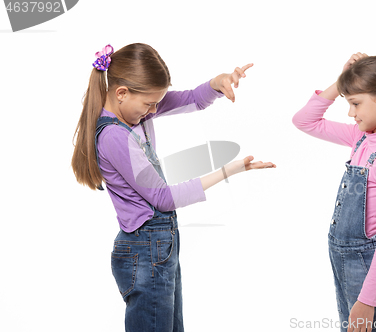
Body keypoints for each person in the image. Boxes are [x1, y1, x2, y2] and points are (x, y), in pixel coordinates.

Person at [71, 43, 276, 332]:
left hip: (158, 244)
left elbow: (192, 99)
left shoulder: (134, 111)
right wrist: (229, 171)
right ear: (121, 93)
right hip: (145, 249)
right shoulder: (114, 137)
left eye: (157, 103)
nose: (154, 111)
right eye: (149, 104)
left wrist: (218, 84)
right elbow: (164, 198)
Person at [292, 53, 376, 332]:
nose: (350, 113)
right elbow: (303, 120)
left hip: (368, 268)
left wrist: (368, 299)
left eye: (355, 104)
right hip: (346, 259)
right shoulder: (362, 138)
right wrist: (340, 81)